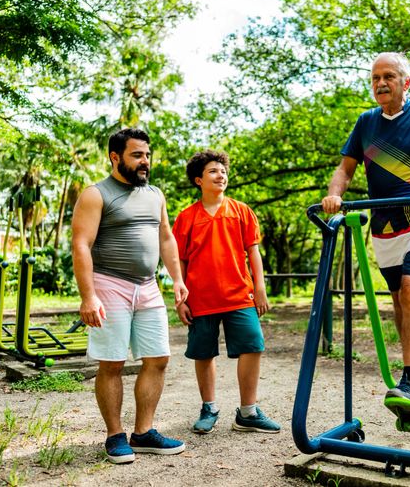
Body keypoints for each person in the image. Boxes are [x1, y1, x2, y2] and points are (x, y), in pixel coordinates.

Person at [321, 52, 410, 423]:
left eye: (389, 76)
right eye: (375, 78)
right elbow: (344, 169)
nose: (380, 83)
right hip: (385, 225)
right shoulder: (366, 122)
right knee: (400, 299)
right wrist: (335, 194)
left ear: (406, 83)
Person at [72, 128, 189, 464]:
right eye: (137, 155)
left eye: (147, 155)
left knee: (158, 359)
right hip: (109, 284)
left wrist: (177, 279)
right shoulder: (96, 194)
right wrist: (88, 296)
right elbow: (81, 244)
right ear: (115, 157)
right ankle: (114, 435)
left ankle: (143, 432)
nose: (145, 162)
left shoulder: (155, 194)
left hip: (148, 286)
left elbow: (166, 238)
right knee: (112, 363)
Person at [172, 149, 281, 435]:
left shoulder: (242, 211)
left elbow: (253, 252)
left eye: (223, 171)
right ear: (198, 180)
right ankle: (209, 407)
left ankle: (248, 412)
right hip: (200, 298)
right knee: (203, 353)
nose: (220, 175)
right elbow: (180, 260)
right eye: (213, 171)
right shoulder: (186, 218)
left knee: (253, 346)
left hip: (239, 295)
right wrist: (181, 298)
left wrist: (260, 287)